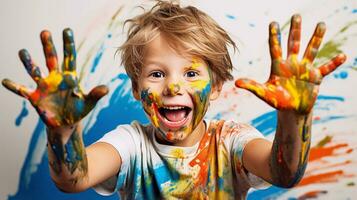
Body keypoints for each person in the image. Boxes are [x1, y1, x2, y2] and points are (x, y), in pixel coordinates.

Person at [2, 1, 346, 199]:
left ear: (216, 87)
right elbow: (73, 179)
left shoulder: (230, 141)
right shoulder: (131, 143)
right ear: (136, 89)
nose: (172, 86)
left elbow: (284, 173)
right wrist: (63, 133)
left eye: (191, 74)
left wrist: (295, 118)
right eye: (156, 74)